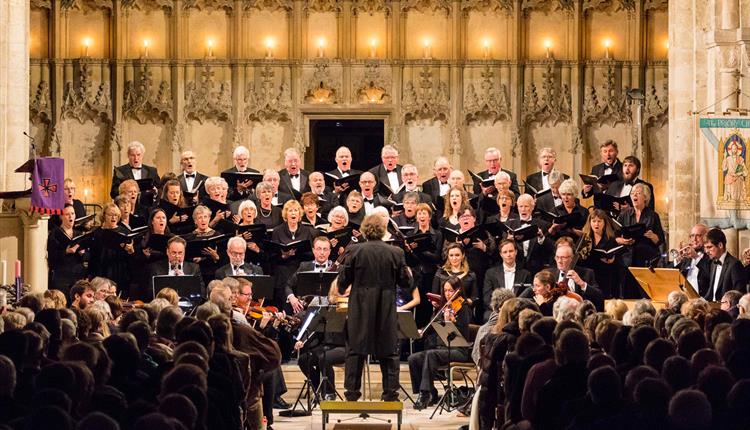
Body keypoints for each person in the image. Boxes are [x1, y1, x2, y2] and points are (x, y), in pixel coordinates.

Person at [336, 213, 413, 401]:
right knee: (389, 351)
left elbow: (342, 283)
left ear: (364, 230)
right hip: (385, 308)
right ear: (383, 231)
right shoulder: (396, 252)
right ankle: (390, 394)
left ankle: (352, 394)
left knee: (355, 350)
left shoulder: (354, 250)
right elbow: (406, 283)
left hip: (360, 308)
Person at [408, 276, 472, 409]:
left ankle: (424, 394)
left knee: (431, 354)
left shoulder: (463, 307)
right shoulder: (443, 307)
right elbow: (432, 327)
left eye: (450, 290)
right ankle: (431, 392)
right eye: (445, 291)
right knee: (413, 359)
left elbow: (462, 334)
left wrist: (451, 322)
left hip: (459, 350)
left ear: (458, 290)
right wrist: (423, 330)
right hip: (443, 349)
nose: (448, 294)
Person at [270, 200, 316, 313]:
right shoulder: (277, 231)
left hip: (300, 269)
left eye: (296, 210)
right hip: (283, 270)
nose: (293, 213)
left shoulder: (306, 231)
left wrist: (298, 252)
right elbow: (272, 256)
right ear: (286, 214)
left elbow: (311, 254)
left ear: (299, 214)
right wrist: (284, 256)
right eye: (290, 210)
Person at [88, 202, 136, 297]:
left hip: (119, 271)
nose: (114, 218)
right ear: (104, 216)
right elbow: (92, 257)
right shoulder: (96, 233)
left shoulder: (125, 232)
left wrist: (130, 251)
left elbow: (131, 257)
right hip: (101, 270)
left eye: (116, 215)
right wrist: (89, 275)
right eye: (110, 215)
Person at [616, 182, 665, 269]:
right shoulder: (623, 215)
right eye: (632, 193)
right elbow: (614, 236)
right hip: (627, 259)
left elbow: (660, 240)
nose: (634, 195)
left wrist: (653, 236)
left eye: (638, 193)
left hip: (647, 258)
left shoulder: (653, 215)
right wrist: (623, 241)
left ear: (645, 197)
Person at [504, 193, 554, 275]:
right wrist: (508, 241)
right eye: (521, 206)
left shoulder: (543, 225)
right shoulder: (509, 225)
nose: (523, 209)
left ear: (532, 207)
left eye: (526, 206)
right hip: (516, 269)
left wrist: (541, 238)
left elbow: (550, 248)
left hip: (537, 270)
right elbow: (502, 248)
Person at [580, 209, 622, 299]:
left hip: (605, 276)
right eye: (594, 221)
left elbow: (618, 261)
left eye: (599, 221)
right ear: (590, 222)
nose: (596, 224)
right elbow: (579, 259)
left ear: (604, 223)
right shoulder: (584, 239)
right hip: (589, 276)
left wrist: (613, 260)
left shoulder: (610, 239)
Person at [47, 204, 87, 297]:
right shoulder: (55, 234)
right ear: (61, 216)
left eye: (72, 213)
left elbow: (87, 255)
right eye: (67, 214)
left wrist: (83, 253)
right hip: (62, 277)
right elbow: (52, 256)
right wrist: (66, 252)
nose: (71, 216)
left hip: (77, 275)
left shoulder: (79, 234)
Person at [483, 240, 532, 317]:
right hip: (496, 310)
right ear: (501, 254)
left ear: (516, 252)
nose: (508, 254)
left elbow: (528, 298)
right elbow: (487, 297)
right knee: (487, 316)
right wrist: (499, 309)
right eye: (505, 252)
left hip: (517, 311)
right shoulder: (490, 273)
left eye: (511, 251)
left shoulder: (526, 274)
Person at [701, 228, 747, 301]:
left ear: (720, 245)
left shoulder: (735, 265)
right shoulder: (713, 263)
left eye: (709, 247)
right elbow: (711, 293)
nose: (706, 251)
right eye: (705, 248)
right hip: (713, 307)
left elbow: (739, 294)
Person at [674, 224, 711, 297]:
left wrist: (696, 257)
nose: (694, 239)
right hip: (685, 297)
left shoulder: (710, 255)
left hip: (702, 299)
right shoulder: (687, 257)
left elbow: (709, 274)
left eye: (698, 236)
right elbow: (673, 276)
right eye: (692, 236)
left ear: (706, 238)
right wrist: (677, 259)